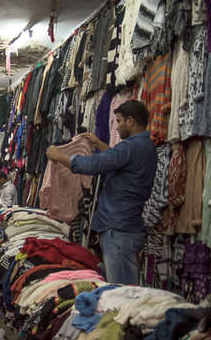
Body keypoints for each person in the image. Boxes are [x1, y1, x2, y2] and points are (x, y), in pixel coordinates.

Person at [45, 100, 156, 285]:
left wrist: (59, 156)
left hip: (119, 228)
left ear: (130, 121)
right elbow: (117, 160)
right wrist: (98, 143)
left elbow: (94, 164)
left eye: (119, 121)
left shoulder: (130, 147)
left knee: (121, 291)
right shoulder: (145, 146)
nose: (118, 127)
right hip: (128, 226)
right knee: (124, 285)